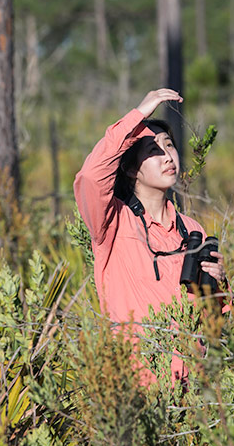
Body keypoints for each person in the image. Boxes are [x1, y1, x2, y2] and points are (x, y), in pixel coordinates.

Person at [73, 89, 226, 383]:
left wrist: (219, 286)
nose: (167, 156)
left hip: (192, 392)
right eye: (153, 151)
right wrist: (138, 115)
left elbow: (216, 320)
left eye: (169, 146)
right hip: (135, 391)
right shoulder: (112, 222)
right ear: (131, 169)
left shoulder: (192, 230)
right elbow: (90, 177)